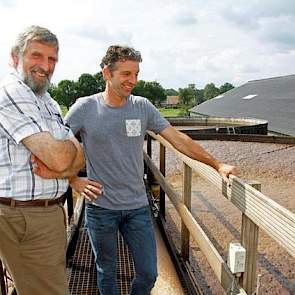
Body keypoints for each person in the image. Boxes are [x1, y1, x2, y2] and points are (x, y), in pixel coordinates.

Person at [33, 45, 237, 295]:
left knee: (149, 273)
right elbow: (57, 147)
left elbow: (176, 138)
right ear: (107, 73)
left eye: (136, 73)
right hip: (100, 208)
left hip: (137, 207)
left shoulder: (142, 107)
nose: (133, 81)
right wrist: (73, 180)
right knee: (106, 271)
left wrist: (217, 165)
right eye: (126, 74)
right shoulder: (85, 108)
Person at [0, 25, 85, 295]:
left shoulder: (46, 99)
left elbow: (77, 155)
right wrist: (65, 162)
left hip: (44, 213)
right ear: (16, 57)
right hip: (25, 216)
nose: (45, 66)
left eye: (52, 59)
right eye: (37, 56)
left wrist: (64, 163)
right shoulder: (12, 91)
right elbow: (61, 158)